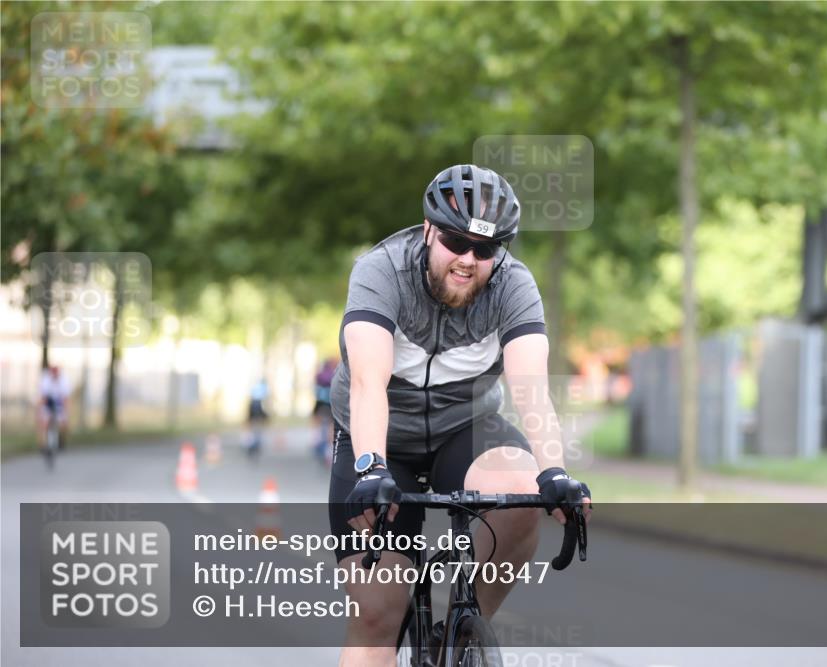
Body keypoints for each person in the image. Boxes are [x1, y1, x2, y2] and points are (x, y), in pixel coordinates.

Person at [328, 164, 592, 665]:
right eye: (455, 241)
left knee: (523, 491)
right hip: (380, 441)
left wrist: (555, 472)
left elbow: (533, 391)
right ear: (429, 229)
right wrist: (370, 466)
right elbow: (367, 383)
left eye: (485, 249)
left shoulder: (513, 285)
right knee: (377, 615)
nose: (468, 260)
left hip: (465, 430)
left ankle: (463, 631)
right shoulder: (381, 271)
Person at [37, 364, 71, 452]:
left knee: (63, 423)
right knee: (43, 423)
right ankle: (43, 445)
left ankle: (61, 440)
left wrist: (66, 414)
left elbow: (65, 399)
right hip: (48, 402)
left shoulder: (64, 380)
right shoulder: (45, 380)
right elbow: (43, 399)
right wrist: (40, 413)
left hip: (59, 402)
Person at [313, 358, 337, 462]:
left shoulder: (320, 375)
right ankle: (328, 448)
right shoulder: (334, 374)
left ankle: (318, 440)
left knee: (319, 423)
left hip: (321, 403)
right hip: (330, 402)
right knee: (331, 425)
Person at [246, 377, 269, 459]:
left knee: (255, 434)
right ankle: (253, 448)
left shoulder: (256, 395)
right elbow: (261, 410)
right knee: (256, 434)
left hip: (255, 416)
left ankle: (253, 448)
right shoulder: (259, 398)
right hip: (256, 417)